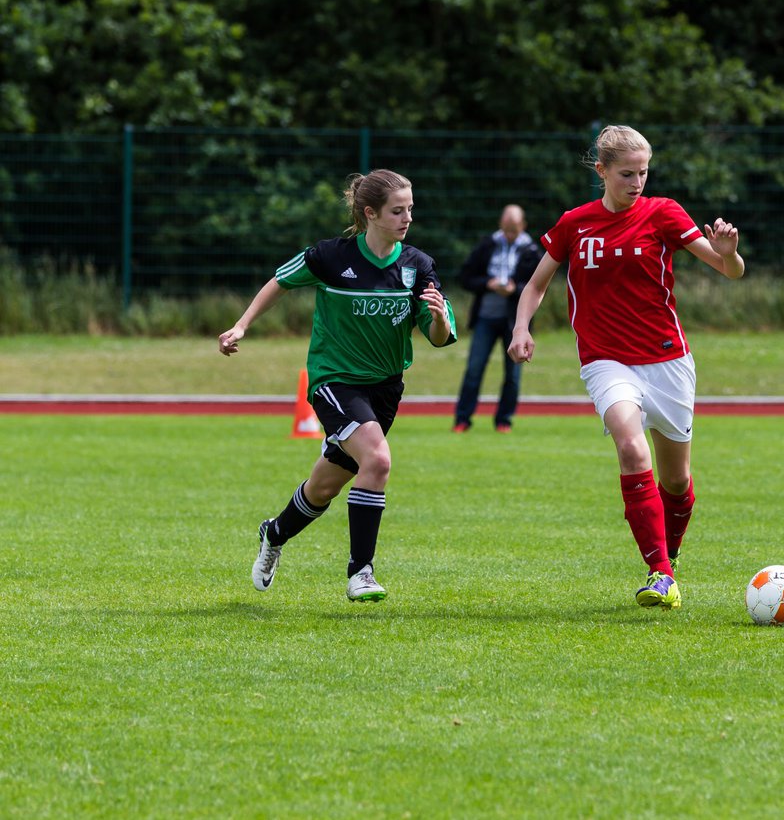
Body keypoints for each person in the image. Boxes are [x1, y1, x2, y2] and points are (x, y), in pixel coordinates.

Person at [507, 125, 744, 609]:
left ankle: (668, 552)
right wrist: (521, 328)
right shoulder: (576, 223)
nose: (636, 182)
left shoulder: (664, 213)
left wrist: (729, 253)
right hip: (605, 360)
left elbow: (728, 270)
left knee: (675, 481)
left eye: (643, 173)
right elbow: (535, 286)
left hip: (667, 359)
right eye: (626, 174)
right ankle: (660, 573)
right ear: (602, 171)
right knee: (631, 449)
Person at [218, 169, 457, 601]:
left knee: (325, 486)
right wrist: (241, 325)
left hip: (385, 390)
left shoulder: (417, 267)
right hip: (334, 382)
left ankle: (274, 533)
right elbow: (280, 281)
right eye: (397, 211)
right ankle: (360, 572)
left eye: (410, 209)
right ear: (370, 213)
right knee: (379, 462)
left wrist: (438, 317)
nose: (407, 218)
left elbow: (438, 339)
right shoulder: (331, 256)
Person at [452, 204, 541, 433]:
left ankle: (504, 421)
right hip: (485, 318)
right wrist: (487, 284)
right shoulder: (486, 245)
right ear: (501, 224)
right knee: (474, 368)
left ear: (523, 226)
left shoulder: (532, 251)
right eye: (507, 228)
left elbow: (538, 287)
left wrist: (514, 289)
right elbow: (466, 277)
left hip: (515, 324)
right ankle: (462, 420)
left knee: (513, 373)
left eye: (514, 228)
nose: (510, 233)